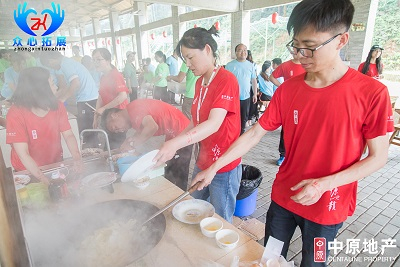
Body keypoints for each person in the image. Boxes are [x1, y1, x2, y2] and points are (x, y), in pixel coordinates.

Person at [191, 0, 393, 266]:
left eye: (309, 48)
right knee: (270, 258)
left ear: (341, 40)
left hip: (327, 208)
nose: (299, 56)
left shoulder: (371, 93)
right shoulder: (288, 90)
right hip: (283, 201)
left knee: (315, 262)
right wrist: (215, 167)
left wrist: (324, 185)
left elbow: (378, 157)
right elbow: (254, 134)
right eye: (296, 46)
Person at [153, 26, 242, 223]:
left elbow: (213, 124)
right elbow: (196, 121)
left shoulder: (226, 80)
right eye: (185, 59)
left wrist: (175, 144)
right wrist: (174, 142)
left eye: (191, 57)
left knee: (221, 218)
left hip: (223, 166)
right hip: (202, 161)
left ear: (208, 50)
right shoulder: (200, 82)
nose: (188, 64)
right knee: (192, 209)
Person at [6, 67, 82, 184]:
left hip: (54, 163)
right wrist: (43, 179)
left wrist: (77, 158)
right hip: (28, 171)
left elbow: (68, 135)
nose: (56, 87)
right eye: (52, 83)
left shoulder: (57, 105)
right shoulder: (16, 113)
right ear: (40, 89)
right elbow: (23, 154)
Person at [102, 99, 191, 190]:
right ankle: (171, 192)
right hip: (173, 132)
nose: (120, 131)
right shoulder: (132, 115)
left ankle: (180, 196)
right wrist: (129, 142)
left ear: (114, 115)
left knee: (179, 171)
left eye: (116, 127)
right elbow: (140, 133)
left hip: (182, 131)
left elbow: (152, 127)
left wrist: (134, 145)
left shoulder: (134, 109)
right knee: (169, 168)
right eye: (116, 131)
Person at [40, 51, 99, 147]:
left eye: (48, 65)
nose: (51, 67)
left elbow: (75, 83)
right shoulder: (64, 64)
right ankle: (90, 148)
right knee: (85, 126)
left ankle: (92, 151)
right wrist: (53, 99)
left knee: (87, 128)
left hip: (87, 98)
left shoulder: (65, 64)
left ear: (51, 61)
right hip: (85, 97)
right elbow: (64, 87)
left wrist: (63, 99)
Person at [269, 53, 305, 166]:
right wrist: (282, 86)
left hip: (304, 103)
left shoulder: (308, 65)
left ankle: (298, 155)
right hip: (289, 103)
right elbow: (272, 76)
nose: (296, 51)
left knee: (302, 129)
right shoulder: (286, 66)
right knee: (286, 128)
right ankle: (283, 155)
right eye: (295, 47)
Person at [92, 48, 129, 149]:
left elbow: (123, 96)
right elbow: (100, 97)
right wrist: (96, 116)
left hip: (118, 118)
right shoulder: (103, 77)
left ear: (108, 60)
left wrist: (103, 109)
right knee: (109, 145)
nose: (95, 62)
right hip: (109, 116)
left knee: (116, 146)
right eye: (94, 60)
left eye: (98, 59)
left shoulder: (115, 75)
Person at [225, 44, 257, 135]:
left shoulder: (251, 65)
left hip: (245, 97)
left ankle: (240, 135)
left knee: (243, 119)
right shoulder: (229, 65)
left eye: (245, 50)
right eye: (240, 50)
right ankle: (231, 135)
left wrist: (255, 94)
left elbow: (253, 80)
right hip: (232, 97)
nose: (243, 52)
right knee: (232, 118)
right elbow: (226, 81)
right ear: (235, 52)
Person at [246, 50, 259, 126]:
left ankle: (248, 119)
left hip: (249, 86)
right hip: (251, 86)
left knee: (250, 103)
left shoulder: (252, 64)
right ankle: (249, 119)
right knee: (252, 103)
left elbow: (254, 77)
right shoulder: (254, 64)